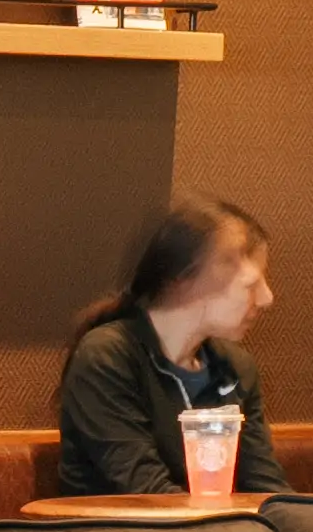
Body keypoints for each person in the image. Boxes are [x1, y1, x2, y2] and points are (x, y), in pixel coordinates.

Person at [48, 197, 295, 494]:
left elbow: (267, 489)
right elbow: (147, 493)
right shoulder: (107, 357)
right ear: (184, 279)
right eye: (250, 285)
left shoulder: (235, 368)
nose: (267, 298)